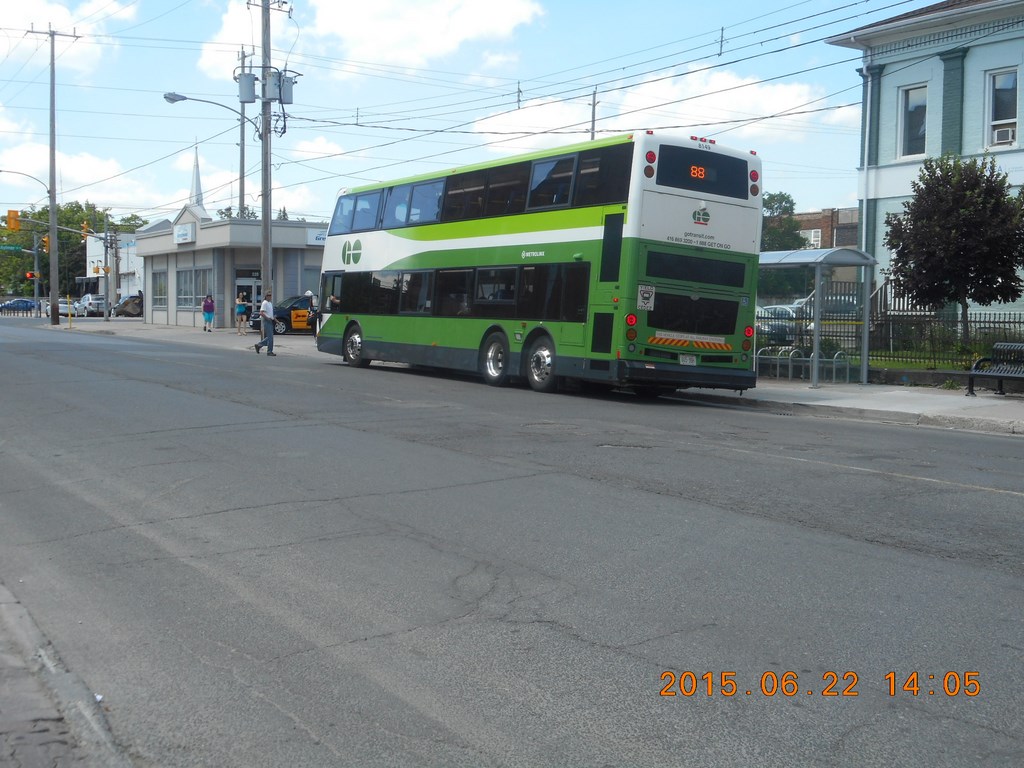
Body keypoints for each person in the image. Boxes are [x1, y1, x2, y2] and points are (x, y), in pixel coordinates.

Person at [253, 291, 277, 356]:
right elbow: (261, 313)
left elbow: (270, 314)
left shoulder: (270, 303)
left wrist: (275, 320)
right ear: (266, 296)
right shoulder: (265, 303)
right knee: (270, 337)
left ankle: (258, 345)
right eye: (268, 295)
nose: (270, 297)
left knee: (270, 337)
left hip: (270, 320)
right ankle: (269, 351)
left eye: (270, 295)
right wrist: (267, 318)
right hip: (266, 321)